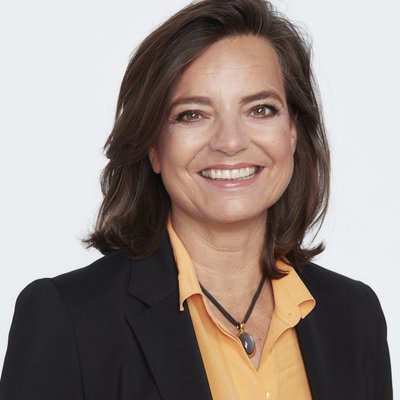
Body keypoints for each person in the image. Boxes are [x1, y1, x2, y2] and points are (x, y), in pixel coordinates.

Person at [0, 0, 392, 399]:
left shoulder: (354, 315)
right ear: (153, 145)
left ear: (293, 131)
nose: (230, 142)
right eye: (192, 114)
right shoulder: (70, 319)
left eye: (260, 109)